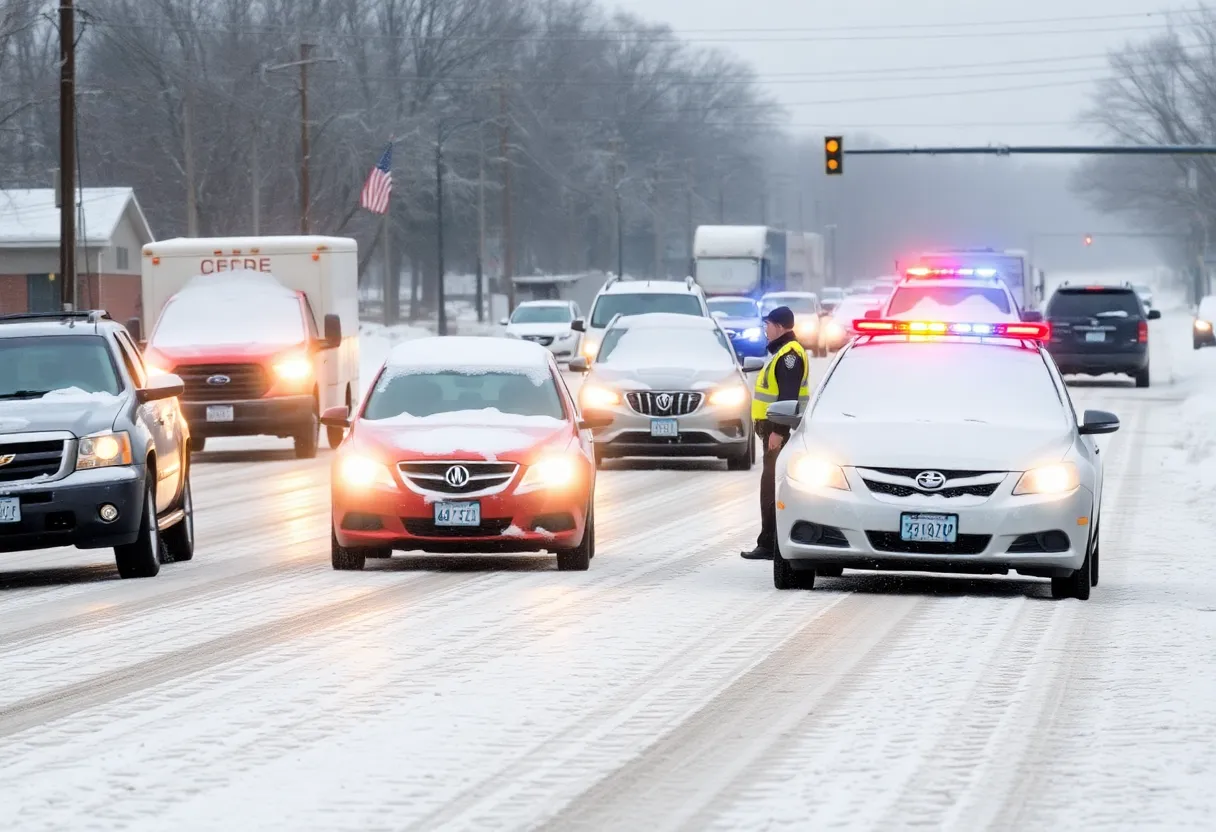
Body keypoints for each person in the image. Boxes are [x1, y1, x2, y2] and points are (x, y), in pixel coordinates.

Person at [741, 305, 809, 560]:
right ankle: (769, 541)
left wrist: (778, 431)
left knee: (771, 486)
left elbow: (788, 396)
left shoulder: (790, 355)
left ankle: (769, 543)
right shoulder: (781, 352)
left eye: (767, 325)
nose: (765, 330)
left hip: (778, 430)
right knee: (769, 484)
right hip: (773, 429)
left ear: (779, 327)